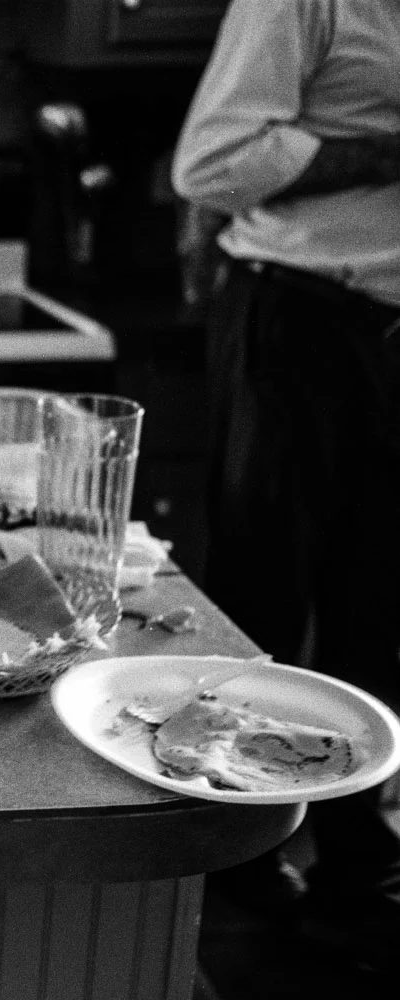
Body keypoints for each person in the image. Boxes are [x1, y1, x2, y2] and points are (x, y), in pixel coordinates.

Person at [171, 0, 400, 987]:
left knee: (380, 615)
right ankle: (235, 863)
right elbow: (208, 166)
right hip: (298, 320)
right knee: (261, 604)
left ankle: (360, 875)